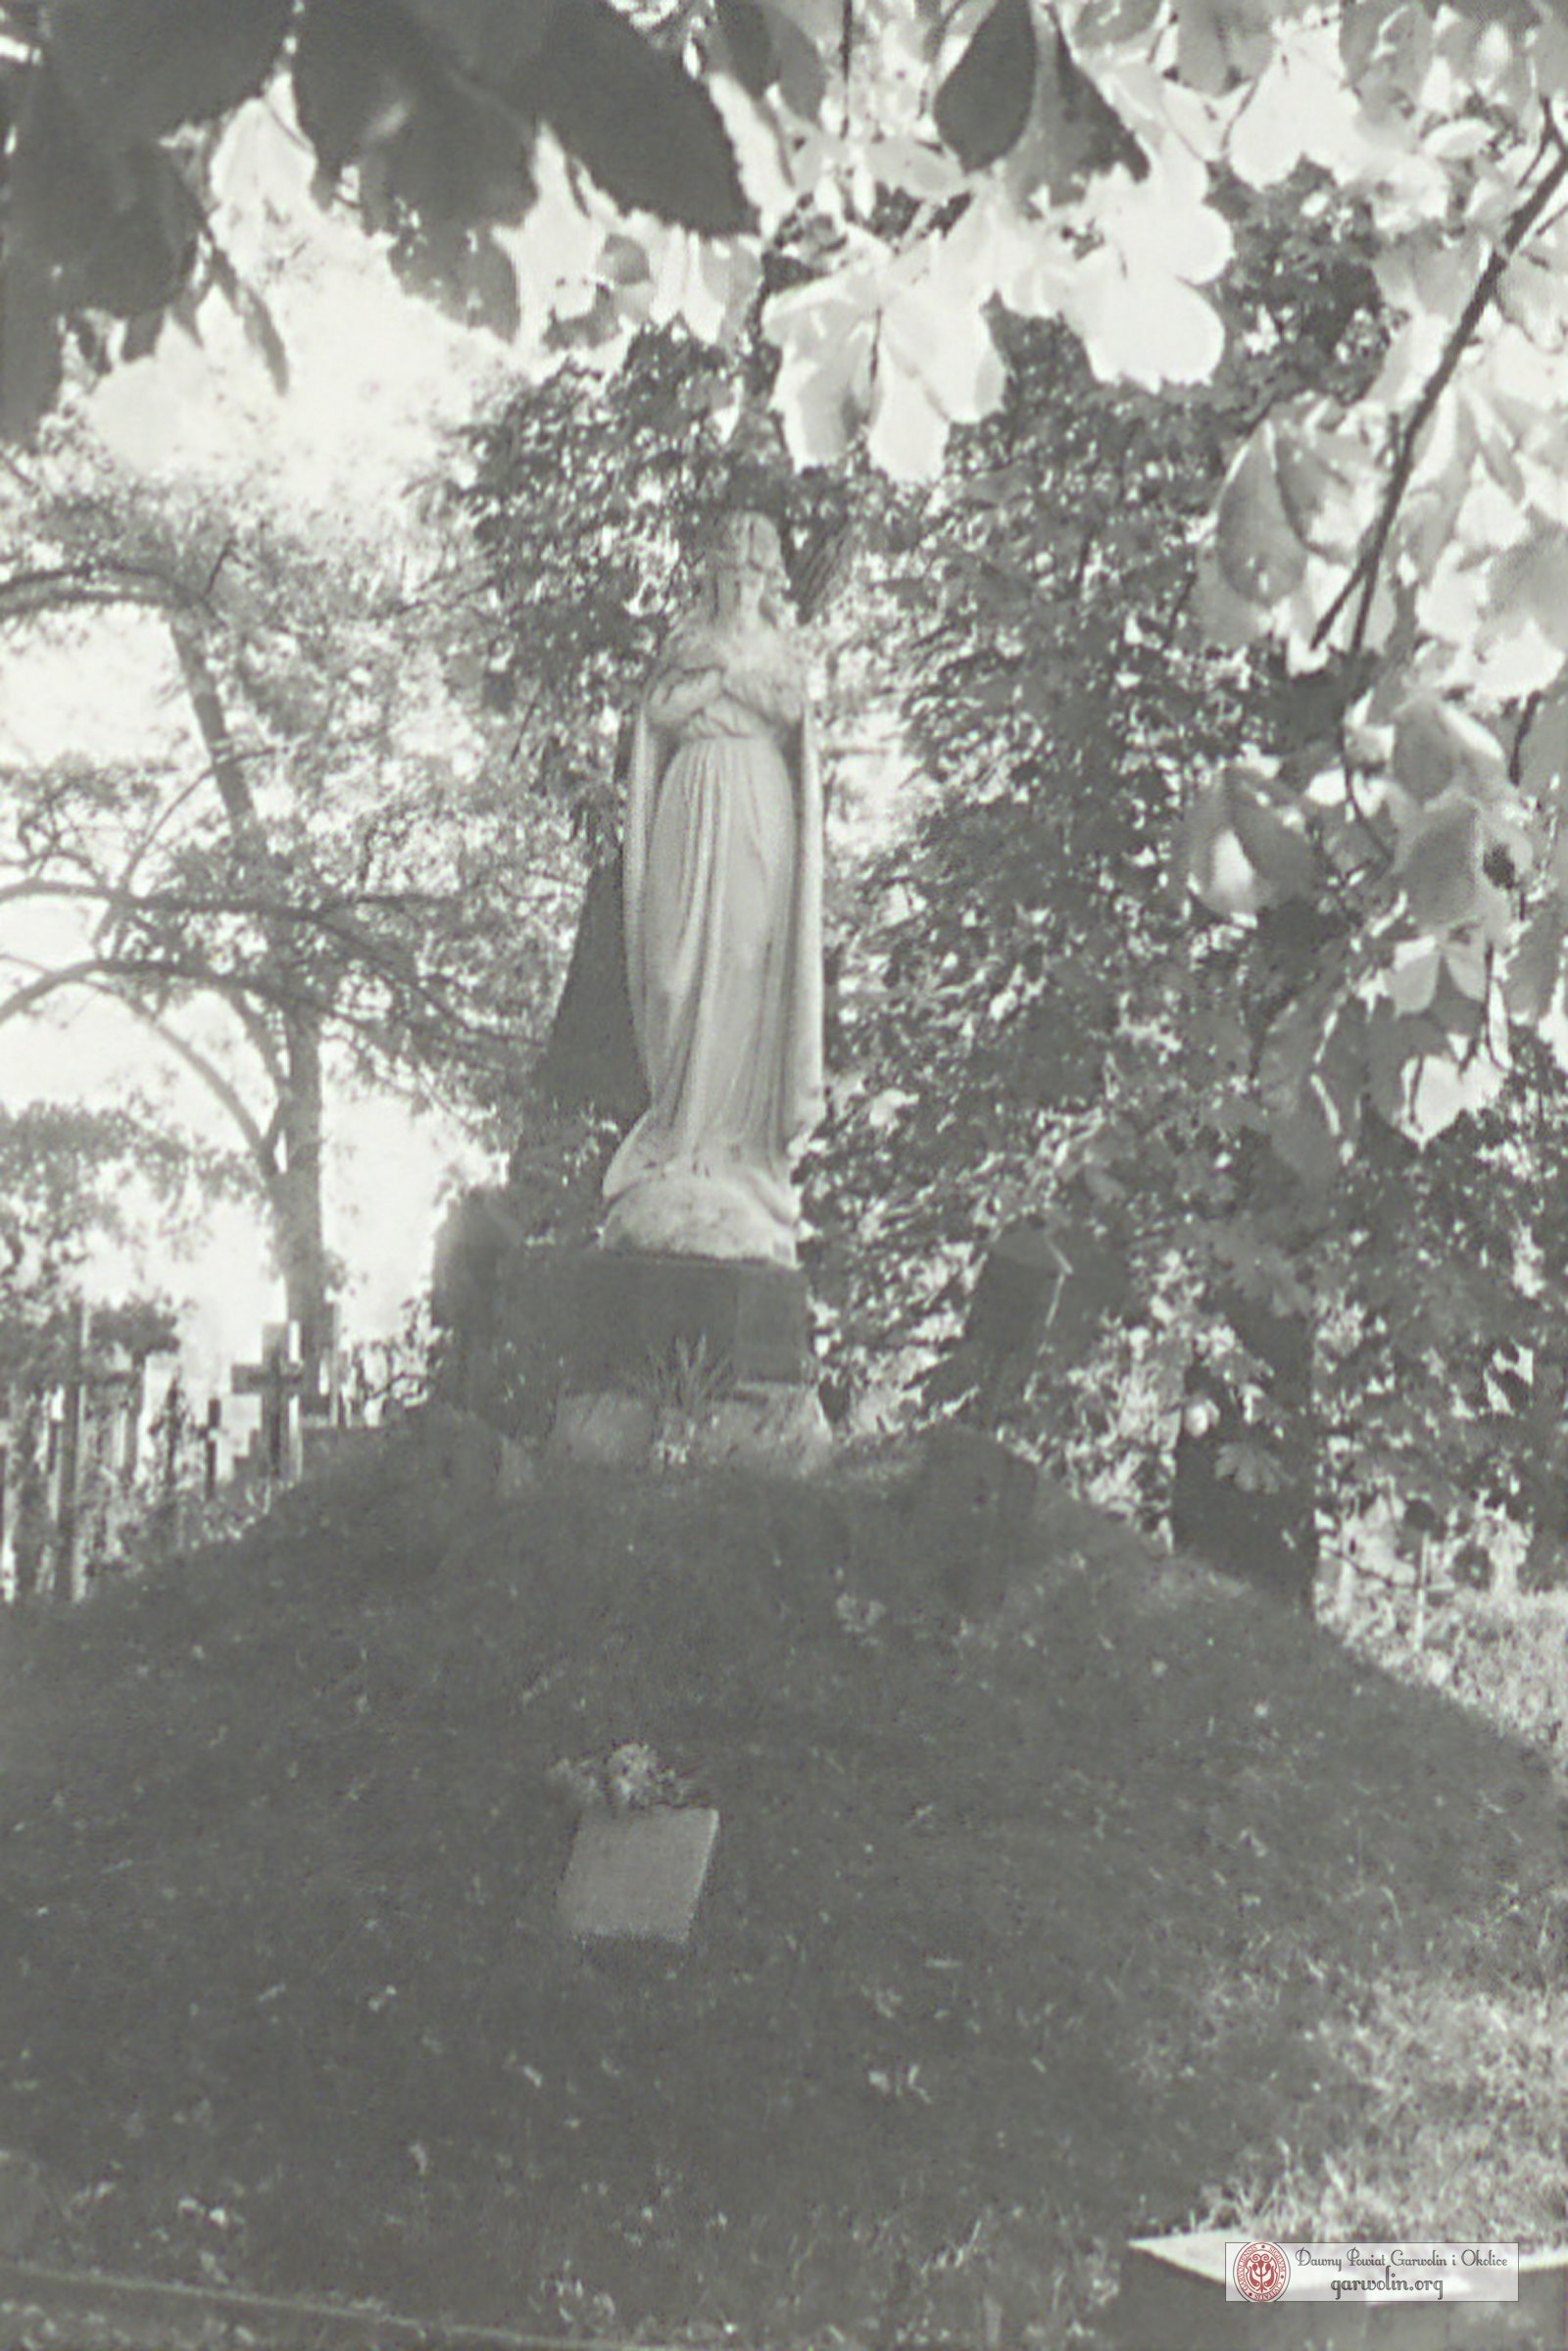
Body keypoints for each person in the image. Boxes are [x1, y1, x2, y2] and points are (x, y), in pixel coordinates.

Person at [602, 511, 824, 1268]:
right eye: (728, 573)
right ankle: (677, 1132)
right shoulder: (686, 642)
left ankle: (734, 1148)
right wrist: (722, 682)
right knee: (674, 974)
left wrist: (724, 683)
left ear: (770, 581)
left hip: (756, 803)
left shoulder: (781, 649)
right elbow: (660, 712)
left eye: (752, 574)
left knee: (745, 964)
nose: (740, 586)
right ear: (712, 577)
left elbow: (789, 712)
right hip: (691, 795)